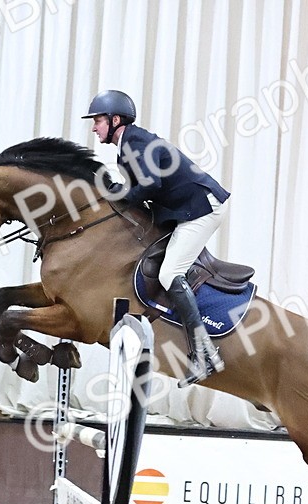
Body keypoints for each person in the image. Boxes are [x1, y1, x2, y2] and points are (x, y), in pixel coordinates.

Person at [83, 90, 229, 386]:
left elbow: (149, 185)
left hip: (201, 209)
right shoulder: (127, 146)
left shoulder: (135, 141)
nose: (94, 127)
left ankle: (206, 353)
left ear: (114, 120)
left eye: (98, 120)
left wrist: (119, 194)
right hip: (185, 210)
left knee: (169, 273)